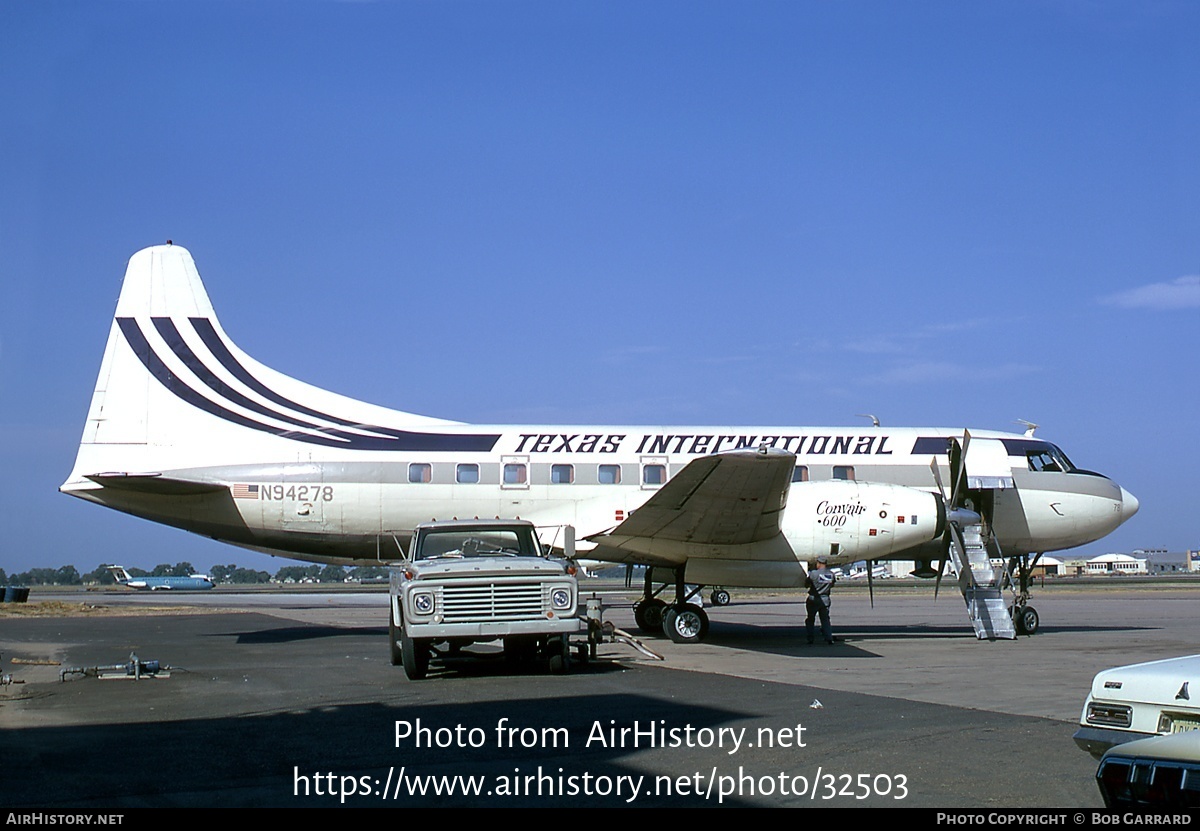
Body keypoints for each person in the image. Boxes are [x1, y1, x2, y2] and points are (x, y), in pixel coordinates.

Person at [805, 556, 836, 644]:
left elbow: (806, 584)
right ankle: (828, 637)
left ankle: (810, 638)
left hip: (814, 598)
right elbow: (832, 585)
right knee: (825, 619)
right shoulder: (831, 574)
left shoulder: (813, 574)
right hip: (825, 598)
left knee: (810, 619)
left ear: (819, 563)